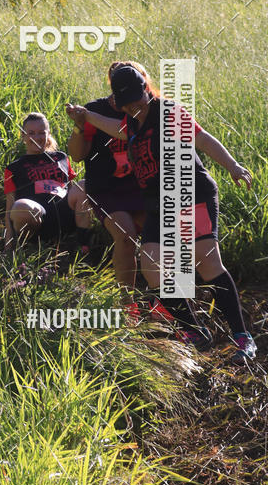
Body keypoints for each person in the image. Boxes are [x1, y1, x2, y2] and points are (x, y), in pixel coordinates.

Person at [67, 65, 257, 364]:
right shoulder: (130, 123)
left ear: (147, 88)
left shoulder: (167, 112)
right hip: (160, 202)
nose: (134, 105)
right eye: (126, 101)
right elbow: (112, 127)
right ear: (117, 102)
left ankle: (242, 337)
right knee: (151, 266)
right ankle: (194, 331)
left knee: (207, 262)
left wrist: (233, 166)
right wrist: (85, 117)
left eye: (138, 97)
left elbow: (202, 138)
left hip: (193, 193)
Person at [68, 60, 148, 314]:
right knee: (125, 237)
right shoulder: (95, 110)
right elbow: (78, 155)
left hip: (142, 187)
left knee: (161, 236)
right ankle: (128, 306)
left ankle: (172, 302)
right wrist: (81, 126)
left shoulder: (148, 109)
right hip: (106, 189)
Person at [4, 112, 91, 256]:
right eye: (31, 133)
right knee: (20, 207)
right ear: (23, 135)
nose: (37, 137)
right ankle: (26, 248)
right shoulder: (14, 168)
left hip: (65, 215)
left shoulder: (61, 157)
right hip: (38, 219)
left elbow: (72, 190)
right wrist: (8, 247)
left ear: (48, 134)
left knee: (84, 185)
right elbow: (9, 210)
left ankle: (84, 246)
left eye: (41, 133)